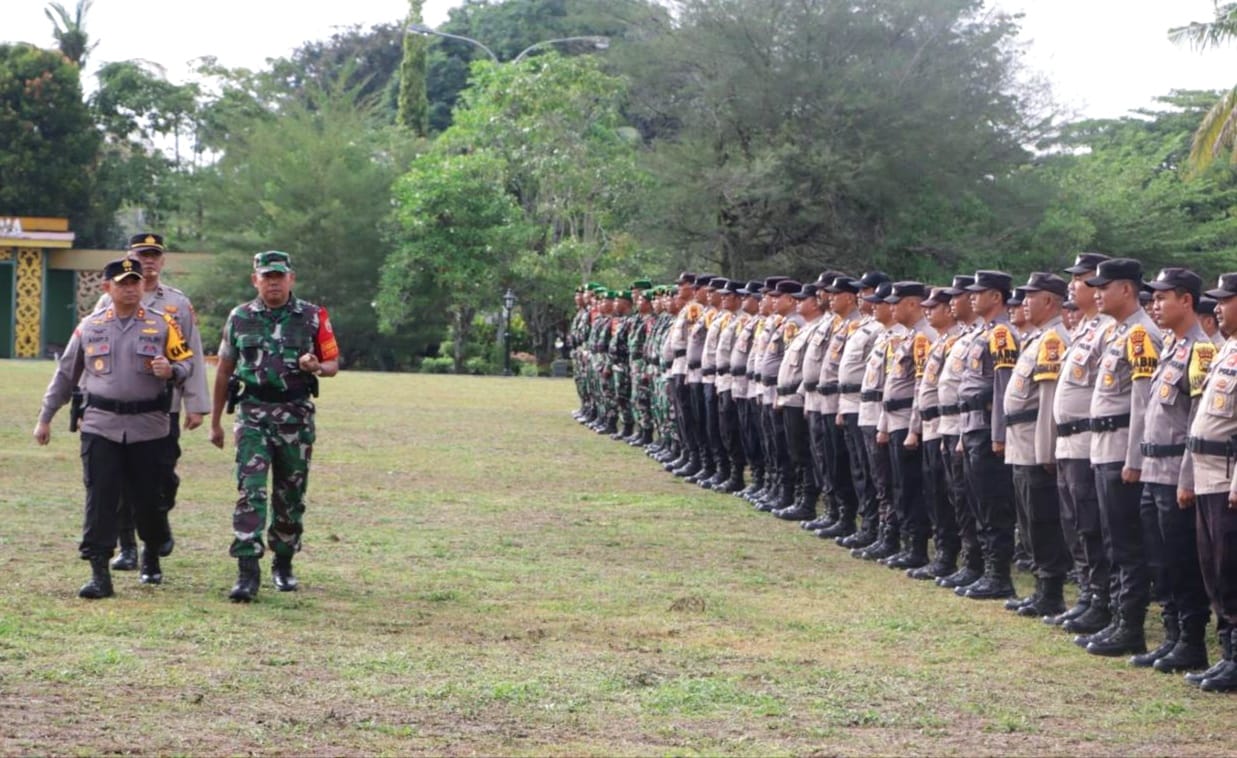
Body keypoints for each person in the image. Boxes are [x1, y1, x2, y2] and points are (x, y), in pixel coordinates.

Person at [34, 256, 194, 597]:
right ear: (108, 287)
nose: (130, 288)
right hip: (100, 425)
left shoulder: (162, 324)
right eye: (122, 283)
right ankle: (99, 573)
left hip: (148, 427)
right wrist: (45, 417)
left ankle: (152, 549)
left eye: (135, 281)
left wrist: (173, 371)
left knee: (148, 499)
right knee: (101, 497)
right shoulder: (89, 326)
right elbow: (66, 374)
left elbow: (186, 362)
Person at [209, 250, 339, 602]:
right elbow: (223, 369)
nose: (273, 283)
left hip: (295, 416)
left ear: (291, 279)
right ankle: (247, 571)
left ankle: (283, 562)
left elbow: (333, 363)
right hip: (252, 413)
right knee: (251, 491)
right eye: (267, 277)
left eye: (279, 277)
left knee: (289, 494)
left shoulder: (313, 317)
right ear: (256, 280)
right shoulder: (239, 318)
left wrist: (316, 367)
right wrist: (216, 421)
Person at [98, 233, 209, 572]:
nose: (148, 261)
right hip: (117, 407)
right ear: (130, 256)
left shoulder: (176, 303)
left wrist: (196, 403)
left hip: (164, 406)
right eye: (141, 254)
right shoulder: (106, 303)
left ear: (162, 261)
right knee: (118, 480)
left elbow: (194, 353)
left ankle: (157, 527)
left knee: (161, 478)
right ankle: (131, 547)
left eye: (154, 255)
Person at [1081, 257, 1162, 657]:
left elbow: (1144, 405)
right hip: (1102, 447)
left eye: (1104, 286)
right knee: (1111, 538)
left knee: (1127, 543)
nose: (1096, 293)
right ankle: (1115, 618)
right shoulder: (1117, 333)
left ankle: (1130, 626)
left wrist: (1134, 459)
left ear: (1126, 289)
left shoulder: (1141, 335)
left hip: (1121, 449)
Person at [1140, 267, 1214, 673]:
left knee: (1181, 560)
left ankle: (1191, 642)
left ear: (1186, 300)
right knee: (1160, 560)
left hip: (1175, 474)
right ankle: (1170, 637)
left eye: (1163, 297)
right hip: (1153, 471)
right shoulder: (1170, 347)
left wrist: (1187, 478)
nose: (1155, 304)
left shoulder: (1201, 351)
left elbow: (1196, 420)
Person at [1002, 273, 1072, 618]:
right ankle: (1040, 587)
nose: (1024, 302)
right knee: (1028, 520)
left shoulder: (1053, 340)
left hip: (1034, 443)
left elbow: (1048, 401)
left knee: (1042, 519)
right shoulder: (1038, 337)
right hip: (1021, 440)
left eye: (1032, 296)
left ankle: (1050, 592)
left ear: (1050, 301)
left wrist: (1046, 450)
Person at [1181, 272, 1237, 692]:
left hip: (1227, 477)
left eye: (1226, 300)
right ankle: (1227, 655)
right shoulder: (1226, 351)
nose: (1217, 306)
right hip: (1205, 474)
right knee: (1213, 570)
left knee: (1231, 568)